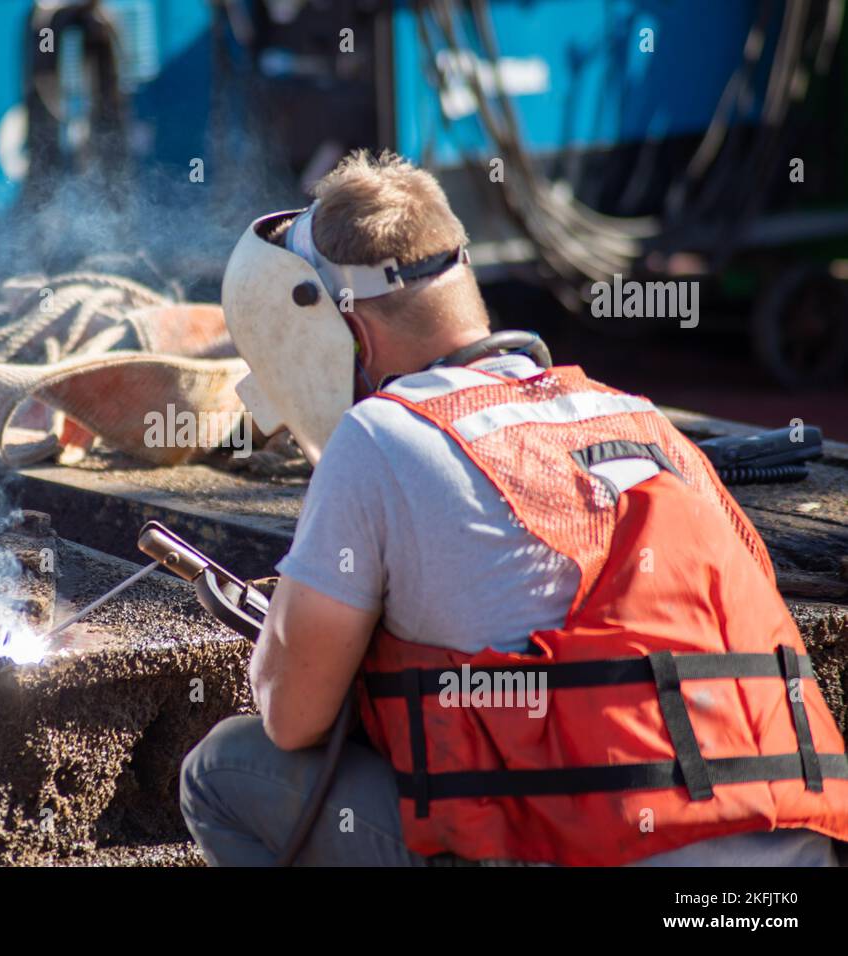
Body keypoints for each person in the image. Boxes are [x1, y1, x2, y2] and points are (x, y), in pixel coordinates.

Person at [180, 150, 848, 866]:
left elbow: (292, 717)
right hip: (786, 875)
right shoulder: (643, 420)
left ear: (351, 330)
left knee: (223, 772)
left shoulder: (381, 435)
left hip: (600, 855)